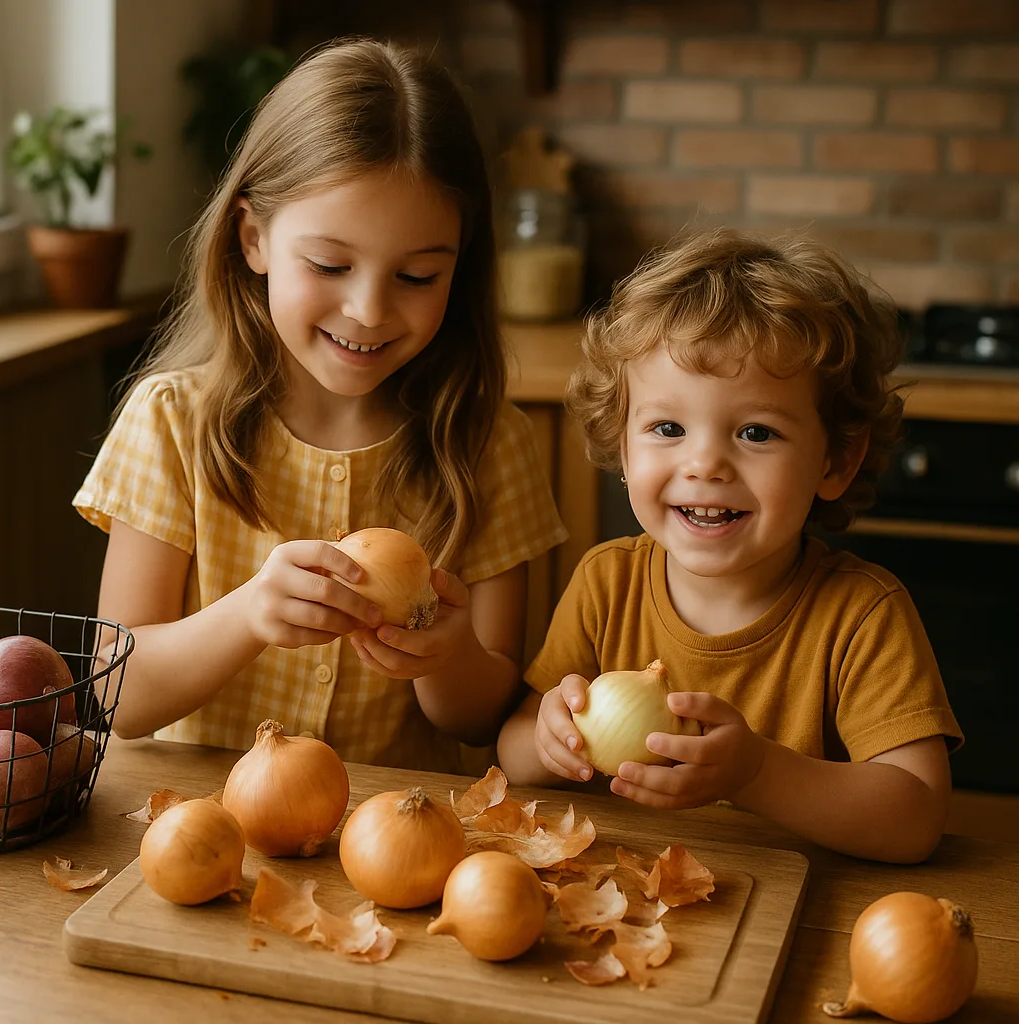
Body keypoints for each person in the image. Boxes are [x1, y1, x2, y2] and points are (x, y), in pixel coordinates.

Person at [74, 38, 566, 772]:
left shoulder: (490, 443)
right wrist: (246, 616)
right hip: (198, 841)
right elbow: (119, 700)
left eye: (418, 276)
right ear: (254, 238)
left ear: (459, 271)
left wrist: (447, 654)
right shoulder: (171, 421)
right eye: (331, 265)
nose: (368, 310)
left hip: (396, 853)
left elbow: (479, 722)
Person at [497, 227, 962, 864]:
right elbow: (514, 750)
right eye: (667, 427)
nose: (706, 463)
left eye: (755, 432)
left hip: (794, 919)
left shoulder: (862, 615)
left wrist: (756, 774)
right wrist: (549, 739)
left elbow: (915, 817)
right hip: (629, 905)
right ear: (624, 448)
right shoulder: (607, 583)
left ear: (837, 460)